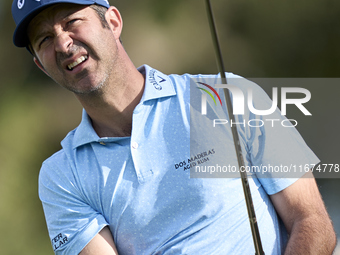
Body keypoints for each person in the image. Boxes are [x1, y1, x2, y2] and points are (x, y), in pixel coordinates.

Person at [11, 0, 336, 254]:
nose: (63, 44)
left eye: (72, 22)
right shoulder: (61, 176)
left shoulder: (230, 96)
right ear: (40, 64)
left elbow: (312, 222)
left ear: (112, 22)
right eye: (45, 39)